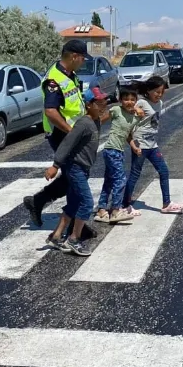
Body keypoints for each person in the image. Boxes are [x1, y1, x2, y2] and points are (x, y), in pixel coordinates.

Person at [23, 40, 88, 229]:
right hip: (62, 134)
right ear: (74, 56)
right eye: (83, 58)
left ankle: (40, 201)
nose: (84, 62)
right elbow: (51, 111)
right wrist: (72, 132)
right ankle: (74, 224)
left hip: (72, 132)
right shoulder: (54, 79)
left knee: (72, 175)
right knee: (76, 175)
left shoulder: (69, 74)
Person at [44, 86, 109, 256]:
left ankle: (56, 236)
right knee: (87, 203)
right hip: (75, 168)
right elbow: (67, 143)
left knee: (73, 203)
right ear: (88, 105)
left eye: (104, 101)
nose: (103, 104)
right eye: (99, 102)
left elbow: (106, 117)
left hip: (83, 168)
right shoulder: (84, 123)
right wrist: (55, 165)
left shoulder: (95, 121)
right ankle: (74, 239)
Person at [124, 75, 183, 215]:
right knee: (135, 174)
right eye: (157, 91)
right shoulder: (141, 103)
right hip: (140, 144)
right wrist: (134, 110)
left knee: (163, 171)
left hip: (152, 144)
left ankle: (167, 203)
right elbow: (126, 113)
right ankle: (125, 205)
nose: (159, 94)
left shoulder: (160, 103)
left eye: (162, 92)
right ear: (149, 90)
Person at [93, 84, 142, 224]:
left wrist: (134, 147)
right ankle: (115, 210)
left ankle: (101, 210)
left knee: (109, 181)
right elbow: (101, 120)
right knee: (120, 180)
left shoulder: (134, 117)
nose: (129, 102)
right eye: (126, 99)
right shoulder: (116, 110)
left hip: (119, 151)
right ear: (120, 100)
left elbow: (128, 135)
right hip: (111, 150)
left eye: (133, 99)